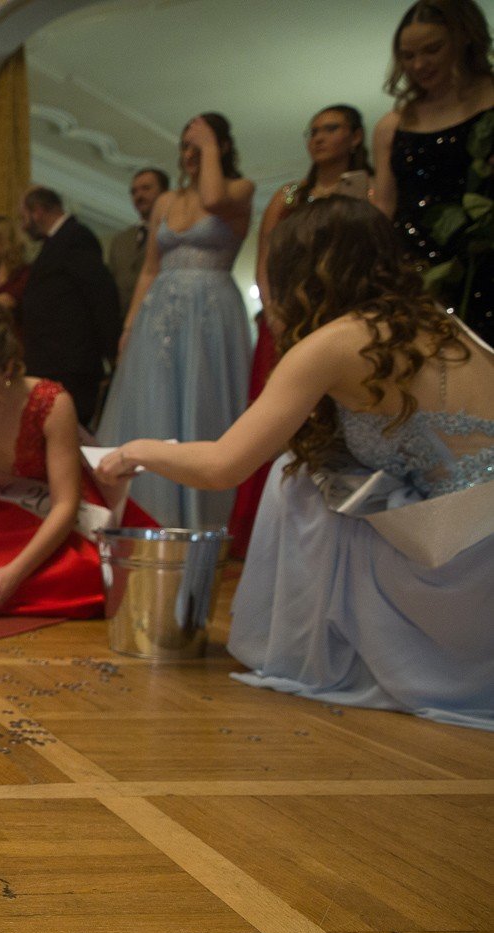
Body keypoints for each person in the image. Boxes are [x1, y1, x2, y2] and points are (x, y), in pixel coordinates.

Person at [96, 197, 493, 729]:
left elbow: (222, 466)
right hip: (479, 549)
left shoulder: (335, 342)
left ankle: (309, 653)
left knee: (298, 483)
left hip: (464, 567)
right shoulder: (442, 326)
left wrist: (136, 450)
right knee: (320, 470)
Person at [0, 301, 155, 618]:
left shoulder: (51, 404)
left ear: (9, 369)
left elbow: (65, 506)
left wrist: (15, 572)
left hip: (52, 522)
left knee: (78, 576)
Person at [97, 113, 255, 529]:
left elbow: (214, 200)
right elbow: (150, 268)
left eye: (198, 146)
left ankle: (205, 519)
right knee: (154, 406)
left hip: (210, 314)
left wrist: (208, 148)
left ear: (221, 147)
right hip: (159, 316)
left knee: (202, 408)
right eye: (185, 146)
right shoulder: (166, 202)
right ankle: (150, 517)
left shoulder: (240, 189)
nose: (189, 154)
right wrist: (129, 326)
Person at [230, 106, 372, 557]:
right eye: (313, 131)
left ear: (355, 136)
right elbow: (267, 257)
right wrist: (274, 311)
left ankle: (332, 533)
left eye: (330, 129)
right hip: (288, 318)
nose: (318, 138)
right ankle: (260, 533)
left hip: (346, 317)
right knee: (273, 418)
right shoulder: (289, 194)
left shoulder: (369, 188)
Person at [372, 0, 494, 341]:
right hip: (417, 275)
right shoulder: (393, 125)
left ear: (464, 38)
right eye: (408, 56)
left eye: (432, 50)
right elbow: (383, 209)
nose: (419, 65)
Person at [16, 187, 121, 427]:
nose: (23, 226)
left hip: (69, 366)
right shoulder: (57, 241)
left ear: (38, 211)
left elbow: (100, 295)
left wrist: (112, 350)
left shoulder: (76, 237)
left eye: (24, 217)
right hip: (53, 363)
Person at [107, 168, 170, 320]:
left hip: (160, 317)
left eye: (146, 188)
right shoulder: (120, 240)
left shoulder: (173, 234)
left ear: (165, 193)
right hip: (123, 321)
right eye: (134, 192)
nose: (139, 196)